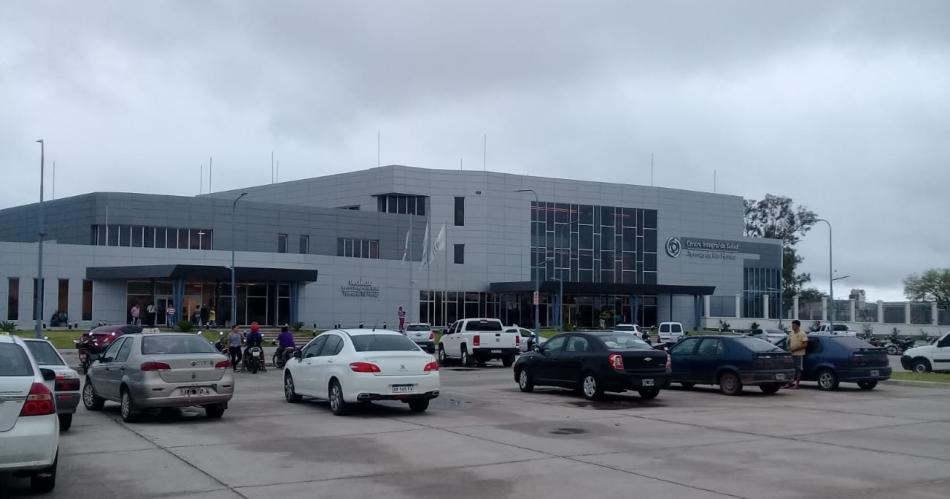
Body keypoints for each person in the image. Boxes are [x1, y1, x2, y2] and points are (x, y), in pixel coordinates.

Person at [786, 320, 809, 389]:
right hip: (791, 354)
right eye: (792, 325)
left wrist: (795, 349)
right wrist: (789, 348)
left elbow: (805, 344)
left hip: (799, 354)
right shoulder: (791, 333)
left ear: (798, 326)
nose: (793, 327)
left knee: (798, 369)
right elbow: (788, 341)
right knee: (791, 369)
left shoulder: (802, 333)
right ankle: (789, 383)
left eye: (794, 325)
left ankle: (797, 384)